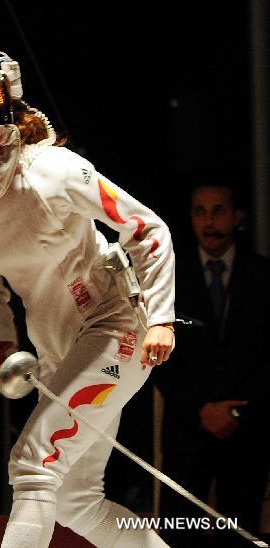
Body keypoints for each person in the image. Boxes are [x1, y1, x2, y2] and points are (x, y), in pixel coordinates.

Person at [0, 53, 175, 547]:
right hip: (57, 351)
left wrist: (161, 319)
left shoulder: (54, 170)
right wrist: (2, 344)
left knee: (33, 464)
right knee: (73, 502)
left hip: (116, 329)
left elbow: (146, 229)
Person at [152, 183, 269, 546]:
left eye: (218, 210)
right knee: (180, 535)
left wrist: (235, 412)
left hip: (246, 430)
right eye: (200, 211)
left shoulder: (264, 275)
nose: (209, 220)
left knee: (241, 533)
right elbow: (156, 355)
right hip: (187, 430)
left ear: (237, 217)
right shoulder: (167, 278)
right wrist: (200, 409)